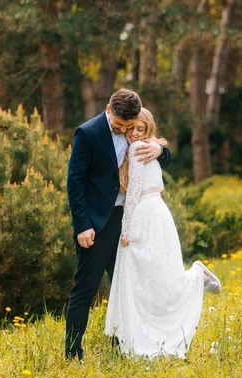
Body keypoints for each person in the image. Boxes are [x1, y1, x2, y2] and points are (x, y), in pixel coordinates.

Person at [104, 108, 221, 359]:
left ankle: (140, 333)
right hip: (158, 213)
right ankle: (194, 280)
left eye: (141, 129)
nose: (135, 134)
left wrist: (126, 230)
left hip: (143, 216)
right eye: (132, 128)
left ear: (148, 130)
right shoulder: (150, 147)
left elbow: (134, 192)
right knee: (154, 276)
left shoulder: (138, 150)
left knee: (143, 277)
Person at [65, 89, 171, 361]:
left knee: (126, 285)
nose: (126, 131)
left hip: (130, 221)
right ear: (108, 109)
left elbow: (163, 153)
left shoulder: (136, 133)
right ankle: (72, 352)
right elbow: (75, 181)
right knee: (86, 286)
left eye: (130, 126)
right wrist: (82, 225)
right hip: (98, 223)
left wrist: (160, 149)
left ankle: (122, 345)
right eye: (120, 126)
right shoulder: (87, 133)